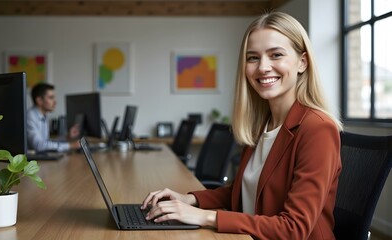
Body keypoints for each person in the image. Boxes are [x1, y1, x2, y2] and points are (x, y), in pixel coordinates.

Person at [141, 12, 343, 239]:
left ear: (302, 62)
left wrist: (204, 216)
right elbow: (243, 192)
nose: (263, 67)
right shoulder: (261, 124)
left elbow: (293, 228)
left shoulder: (317, 128)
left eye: (276, 55)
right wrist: (190, 199)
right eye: (253, 58)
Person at [27, 83, 80, 152]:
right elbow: (39, 145)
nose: (55, 101)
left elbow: (46, 142)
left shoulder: (43, 116)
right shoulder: (30, 116)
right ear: (39, 100)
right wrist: (70, 145)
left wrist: (67, 137)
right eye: (51, 98)